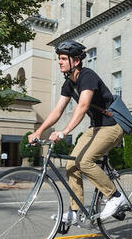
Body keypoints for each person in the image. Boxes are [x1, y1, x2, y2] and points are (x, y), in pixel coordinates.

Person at [28, 40, 126, 223]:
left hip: (112, 126)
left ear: (76, 61)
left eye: (64, 58)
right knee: (71, 165)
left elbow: (82, 106)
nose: (60, 62)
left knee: (84, 161)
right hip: (96, 127)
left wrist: (64, 132)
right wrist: (39, 131)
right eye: (59, 58)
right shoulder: (68, 84)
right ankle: (75, 211)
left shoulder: (87, 76)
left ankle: (115, 197)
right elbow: (57, 111)